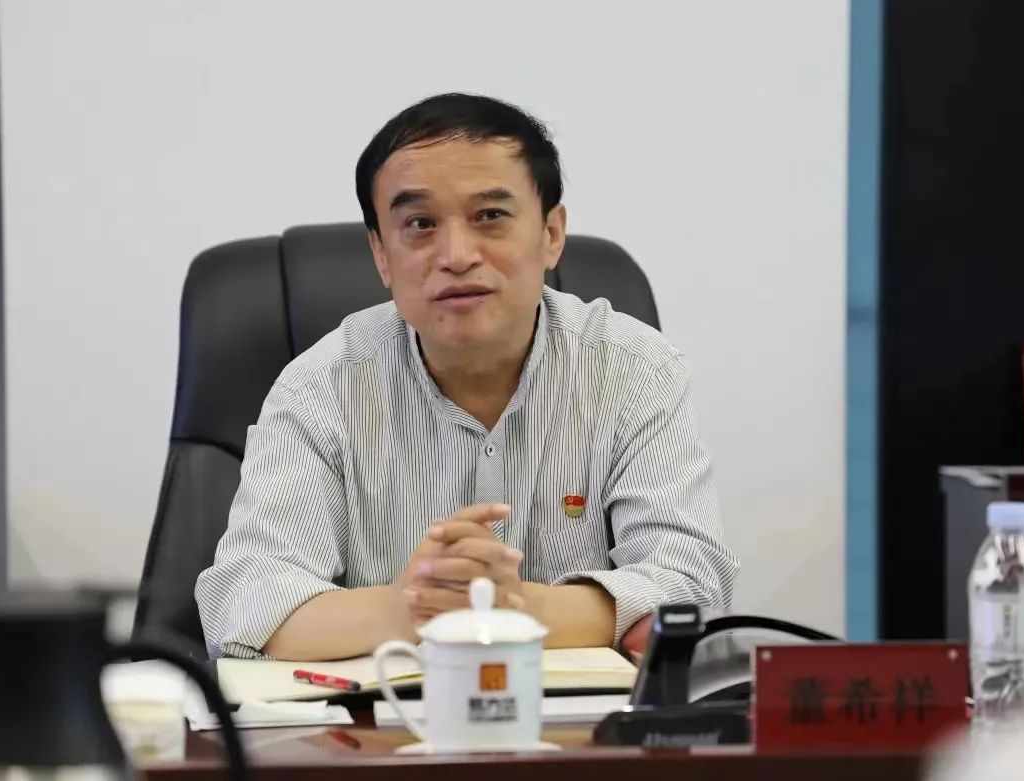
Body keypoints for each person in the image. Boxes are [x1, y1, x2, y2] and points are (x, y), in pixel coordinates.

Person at [195, 93, 739, 661]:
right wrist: (410, 609)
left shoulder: (634, 370)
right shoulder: (321, 388)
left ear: (552, 233)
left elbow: (693, 589)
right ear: (381, 255)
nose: (456, 255)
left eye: (490, 217)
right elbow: (246, 604)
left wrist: (518, 608)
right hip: (383, 715)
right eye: (420, 224)